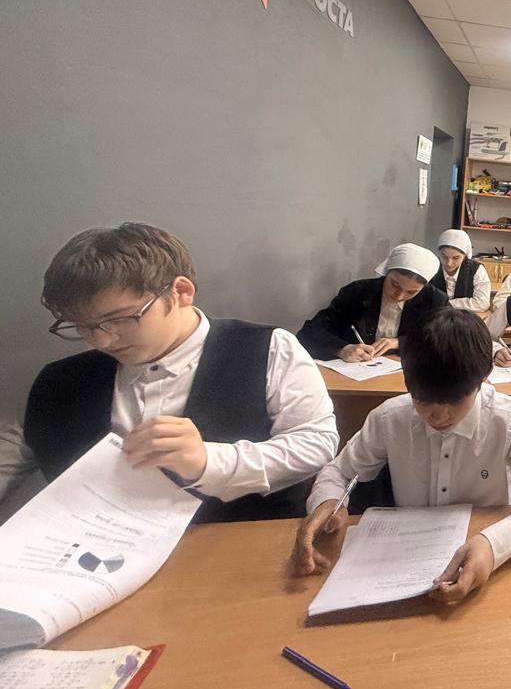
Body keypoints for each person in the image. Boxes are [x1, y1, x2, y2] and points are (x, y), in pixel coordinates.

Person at [0, 223, 338, 521]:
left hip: (234, 547)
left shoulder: (268, 349)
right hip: (91, 552)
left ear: (181, 292)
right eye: (83, 326)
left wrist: (210, 461)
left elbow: (316, 443)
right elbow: (10, 455)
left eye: (121, 319)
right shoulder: (59, 381)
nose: (101, 340)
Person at [292, 309, 511, 601]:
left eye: (454, 402)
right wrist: (328, 501)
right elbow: (337, 472)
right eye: (422, 400)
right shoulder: (389, 418)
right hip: (400, 562)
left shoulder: (510, 420)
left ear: (484, 377)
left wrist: (496, 543)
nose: (437, 415)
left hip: (484, 557)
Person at [298, 244, 446, 363]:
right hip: (355, 375)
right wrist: (342, 348)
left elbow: (446, 342)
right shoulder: (357, 292)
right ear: (386, 273)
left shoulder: (434, 300)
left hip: (408, 378)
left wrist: (400, 343)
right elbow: (311, 331)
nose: (400, 296)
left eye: (411, 292)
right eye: (394, 285)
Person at [430, 229, 491, 313]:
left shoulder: (476, 270)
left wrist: (447, 304)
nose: (449, 263)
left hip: (465, 319)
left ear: (465, 256)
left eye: (456, 258)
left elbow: (482, 303)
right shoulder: (431, 267)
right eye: (444, 256)